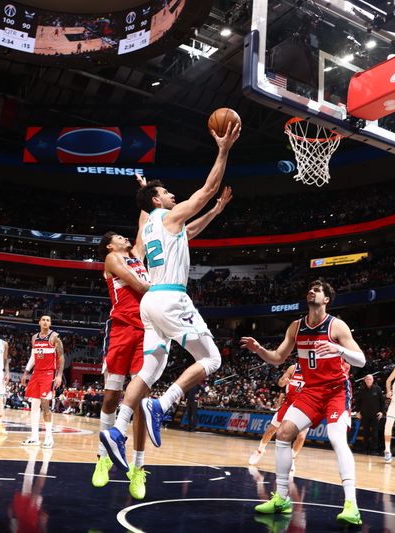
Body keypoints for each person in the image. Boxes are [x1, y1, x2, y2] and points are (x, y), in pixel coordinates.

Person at [101, 121, 239, 472]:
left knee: (151, 367)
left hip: (149, 307)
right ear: (158, 201)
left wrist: (216, 213)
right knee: (212, 360)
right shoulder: (168, 215)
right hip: (170, 298)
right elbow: (207, 189)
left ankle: (118, 431)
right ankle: (162, 405)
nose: (173, 195)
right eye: (167, 193)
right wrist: (223, 150)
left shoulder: (150, 227)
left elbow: (189, 229)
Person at [241, 280, 366, 526]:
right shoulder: (296, 327)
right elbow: (277, 358)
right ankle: (282, 499)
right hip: (311, 392)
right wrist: (259, 350)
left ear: (326, 299)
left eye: (318, 290)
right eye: (310, 288)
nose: (312, 291)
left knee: (336, 437)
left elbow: (361, 360)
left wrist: (336, 349)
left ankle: (351, 505)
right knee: (284, 432)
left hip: (336, 391)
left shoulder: (336, 326)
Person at [92, 228, 150, 499]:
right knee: (111, 397)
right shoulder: (113, 260)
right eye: (117, 238)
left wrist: (147, 194)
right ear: (109, 246)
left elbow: (143, 226)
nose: (124, 238)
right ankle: (103, 458)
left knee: (140, 402)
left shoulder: (137, 255)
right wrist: (169, 292)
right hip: (121, 329)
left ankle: (138, 469)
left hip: (146, 331)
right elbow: (139, 286)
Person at [248, 363, 309, 470]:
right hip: (289, 404)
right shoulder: (294, 368)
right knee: (271, 430)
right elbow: (280, 382)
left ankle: (292, 458)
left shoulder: (317, 370)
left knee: (301, 436)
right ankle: (260, 450)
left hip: (305, 407)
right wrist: (283, 381)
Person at [21, 316, 64, 449]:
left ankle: (49, 438)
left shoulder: (55, 337)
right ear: (39, 322)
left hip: (49, 373)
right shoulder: (34, 338)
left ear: (50, 323)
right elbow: (33, 356)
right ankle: (34, 437)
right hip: (36, 373)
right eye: (43, 320)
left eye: (48, 320)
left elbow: (61, 357)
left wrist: (59, 375)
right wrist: (26, 372)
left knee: (45, 405)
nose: (45, 322)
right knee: (34, 405)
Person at [354, 374, 384, 455]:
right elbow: (357, 402)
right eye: (367, 379)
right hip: (365, 415)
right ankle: (364, 449)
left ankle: (374, 450)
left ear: (373, 380)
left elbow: (382, 402)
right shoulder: (361, 390)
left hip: (375, 415)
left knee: (375, 433)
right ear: (365, 380)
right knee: (365, 433)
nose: (369, 380)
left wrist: (381, 411)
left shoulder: (377, 389)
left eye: (370, 379)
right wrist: (358, 412)